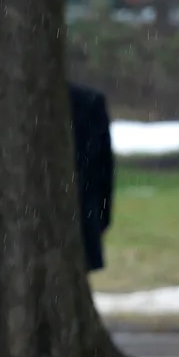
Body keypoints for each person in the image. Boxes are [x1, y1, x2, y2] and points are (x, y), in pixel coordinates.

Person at [69, 82, 114, 272]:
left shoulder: (87, 102)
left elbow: (103, 167)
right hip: (82, 208)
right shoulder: (87, 102)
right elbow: (104, 168)